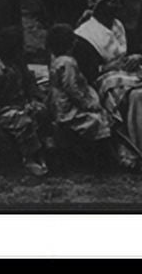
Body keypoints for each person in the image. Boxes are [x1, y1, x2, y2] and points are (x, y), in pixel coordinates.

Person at [73, 0, 142, 172]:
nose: (117, 5)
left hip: (128, 73)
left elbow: (135, 50)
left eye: (117, 0)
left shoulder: (119, 26)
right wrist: (110, 66)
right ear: (100, 6)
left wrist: (137, 57)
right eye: (112, 2)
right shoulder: (85, 35)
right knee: (138, 97)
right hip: (104, 80)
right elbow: (87, 72)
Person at [0, 26, 49, 177]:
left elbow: (29, 85)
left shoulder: (19, 67)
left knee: (40, 112)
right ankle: (28, 158)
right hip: (3, 110)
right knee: (24, 121)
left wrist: (33, 99)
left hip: (21, 104)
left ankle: (41, 150)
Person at [45, 23, 114, 166]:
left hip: (61, 102)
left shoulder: (56, 60)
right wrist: (88, 103)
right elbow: (72, 88)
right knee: (97, 119)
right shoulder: (67, 63)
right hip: (67, 107)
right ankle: (99, 159)